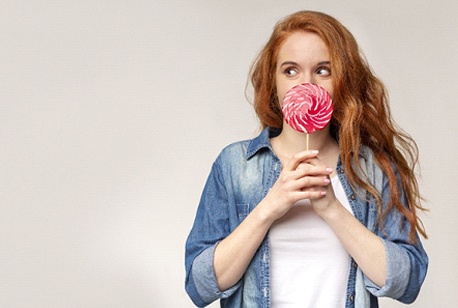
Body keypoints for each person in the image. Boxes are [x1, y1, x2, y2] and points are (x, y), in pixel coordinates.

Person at [185, 10, 428, 308]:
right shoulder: (236, 164)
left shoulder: (373, 168)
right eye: (290, 70)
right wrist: (270, 207)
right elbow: (199, 286)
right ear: (273, 82)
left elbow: (409, 283)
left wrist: (333, 210)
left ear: (342, 79)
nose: (306, 83)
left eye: (323, 70)